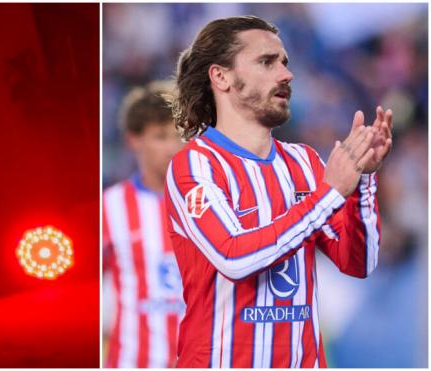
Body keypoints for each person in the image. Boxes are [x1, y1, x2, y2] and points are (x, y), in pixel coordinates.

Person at [164, 16, 393, 368]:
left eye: (284, 62)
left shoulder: (304, 162)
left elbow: (359, 263)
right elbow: (236, 259)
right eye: (266, 62)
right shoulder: (195, 166)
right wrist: (330, 193)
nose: (286, 74)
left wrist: (362, 178)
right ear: (221, 77)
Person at [103, 81, 186, 368]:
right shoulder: (110, 207)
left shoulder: (211, 203)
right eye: (161, 136)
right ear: (133, 139)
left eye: (179, 135)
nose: (173, 147)